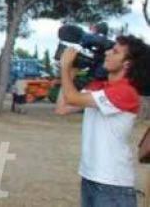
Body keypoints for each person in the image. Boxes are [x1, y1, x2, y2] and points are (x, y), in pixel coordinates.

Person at [56, 36, 148, 207]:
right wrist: (70, 73)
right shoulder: (100, 86)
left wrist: (65, 67)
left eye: (115, 52)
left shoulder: (126, 92)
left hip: (113, 185)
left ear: (127, 64)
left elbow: (72, 97)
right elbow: (63, 107)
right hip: (90, 177)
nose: (107, 53)